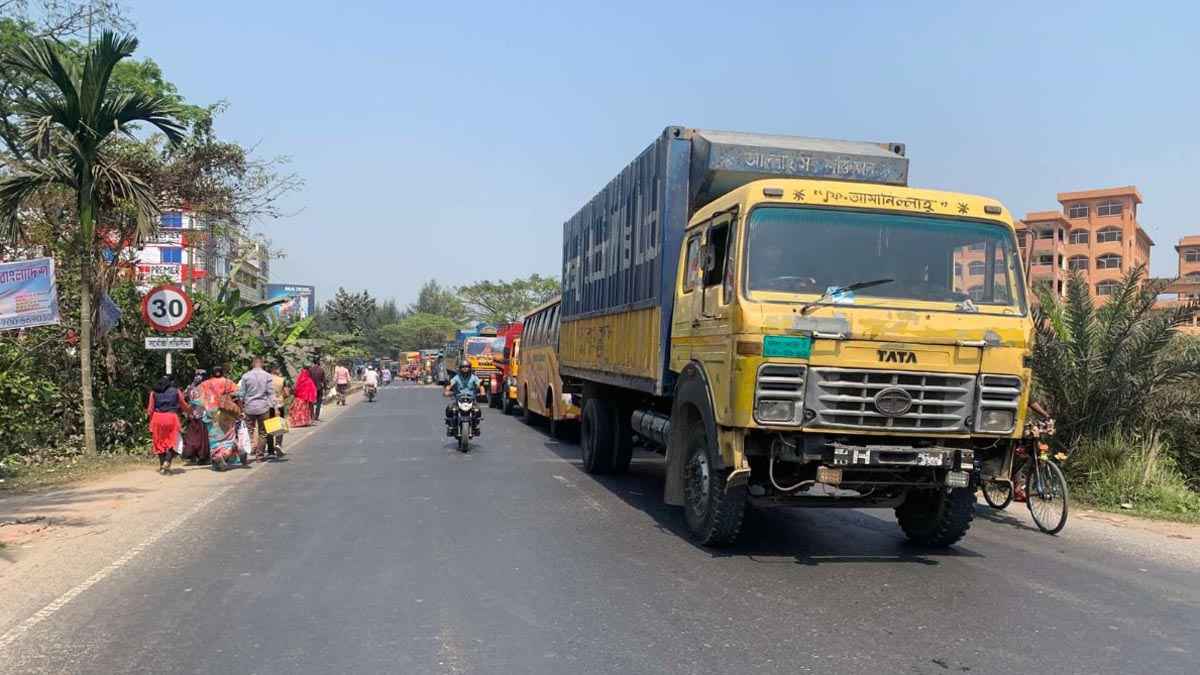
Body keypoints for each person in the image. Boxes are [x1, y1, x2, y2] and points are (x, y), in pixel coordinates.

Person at [198, 365, 241, 471]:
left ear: (212, 373)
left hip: (211, 414)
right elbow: (238, 395)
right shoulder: (229, 383)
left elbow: (198, 399)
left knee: (214, 438)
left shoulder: (204, 384)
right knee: (228, 437)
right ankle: (227, 452)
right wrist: (240, 409)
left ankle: (217, 455)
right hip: (227, 413)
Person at [237, 356, 278, 462]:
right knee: (263, 433)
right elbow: (271, 393)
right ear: (262, 364)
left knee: (248, 431)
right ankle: (259, 456)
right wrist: (276, 408)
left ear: (252, 364)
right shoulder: (267, 376)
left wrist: (241, 409)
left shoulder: (246, 376)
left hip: (249, 407)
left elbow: (241, 395)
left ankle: (246, 453)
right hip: (263, 408)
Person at [147, 375, 189, 474]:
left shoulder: (153, 392)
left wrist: (151, 422)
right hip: (171, 418)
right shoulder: (176, 391)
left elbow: (150, 410)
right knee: (174, 442)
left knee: (159, 442)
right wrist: (189, 411)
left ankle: (162, 466)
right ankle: (167, 461)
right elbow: (183, 405)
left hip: (157, 418)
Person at [444, 360, 485, 437]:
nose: (465, 368)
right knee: (449, 409)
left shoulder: (474, 377)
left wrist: (482, 392)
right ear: (460, 368)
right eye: (463, 367)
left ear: (470, 368)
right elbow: (450, 385)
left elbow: (480, 385)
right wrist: (447, 391)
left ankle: (475, 426)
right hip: (459, 399)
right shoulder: (456, 377)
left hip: (471, 400)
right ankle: (451, 426)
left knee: (477, 410)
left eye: (467, 367)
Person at [181, 370, 210, 464]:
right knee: (200, 437)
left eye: (200, 375)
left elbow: (183, 397)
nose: (198, 377)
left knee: (195, 436)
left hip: (196, 415)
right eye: (197, 375)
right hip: (200, 415)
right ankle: (199, 457)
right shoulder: (205, 387)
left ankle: (197, 457)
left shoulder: (191, 387)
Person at [268, 365, 290, 456]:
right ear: (276, 370)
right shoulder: (281, 380)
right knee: (279, 424)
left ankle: (270, 450)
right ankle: (278, 444)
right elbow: (287, 393)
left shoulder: (266, 379)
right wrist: (281, 397)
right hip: (279, 404)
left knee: (269, 426)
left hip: (268, 405)